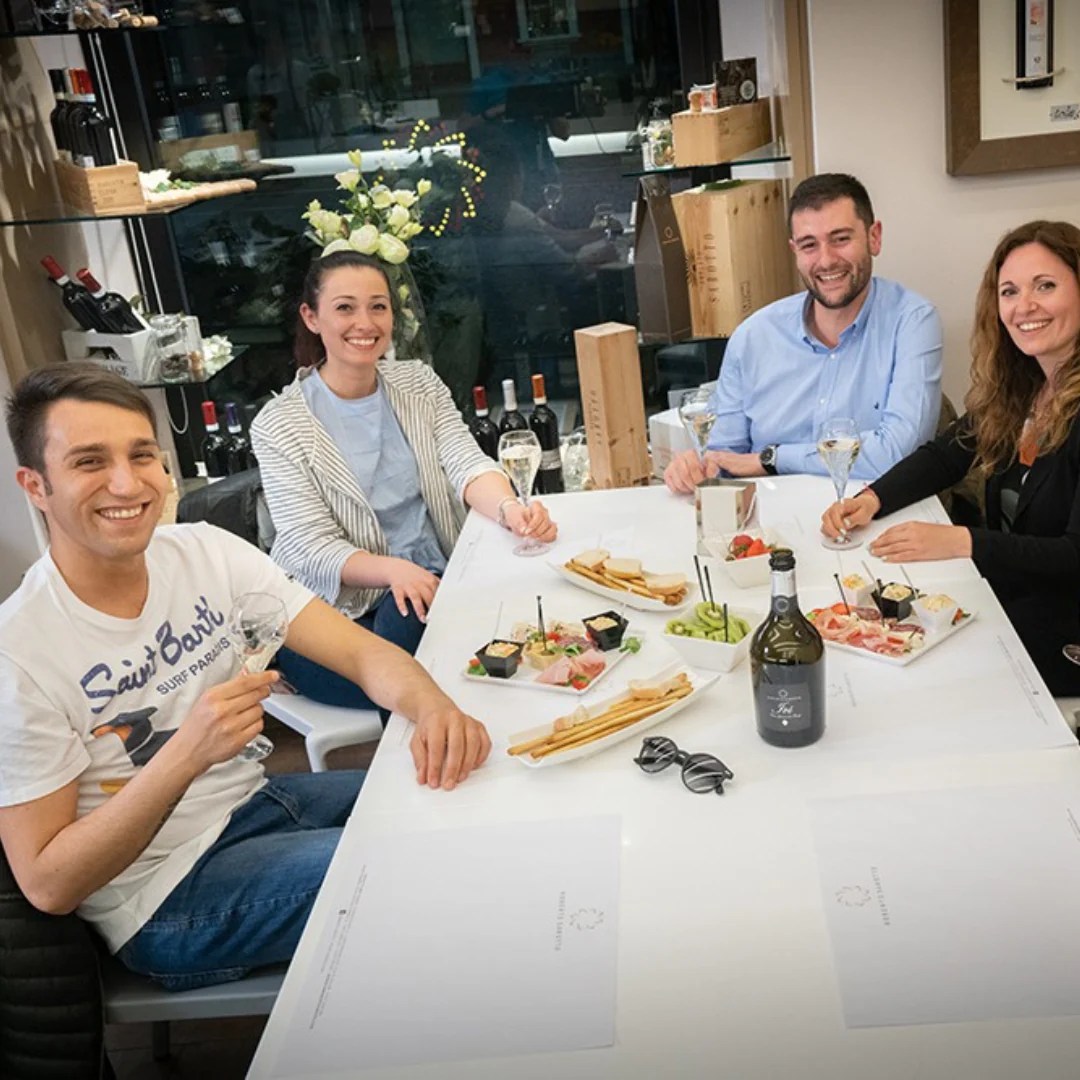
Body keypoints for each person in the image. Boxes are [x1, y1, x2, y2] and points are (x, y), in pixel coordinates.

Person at [0, 363, 491, 990]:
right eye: (89, 462)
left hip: (254, 804)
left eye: (141, 455)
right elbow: (49, 884)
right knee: (434, 865)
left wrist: (434, 708)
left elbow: (364, 655)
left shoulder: (205, 552)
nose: (126, 483)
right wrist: (185, 755)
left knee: (476, 798)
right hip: (166, 895)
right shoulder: (20, 654)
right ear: (35, 486)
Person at [250, 250, 557, 710]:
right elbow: (309, 544)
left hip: (431, 588)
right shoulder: (279, 424)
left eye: (378, 306)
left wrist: (510, 509)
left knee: (426, 616)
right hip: (336, 616)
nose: (365, 322)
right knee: (420, 631)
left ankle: (437, 711)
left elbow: (465, 462)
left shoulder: (418, 383)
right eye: (345, 307)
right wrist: (393, 569)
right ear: (311, 318)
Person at [821, 220, 1080, 696]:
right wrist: (872, 498)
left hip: (1067, 627)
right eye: (1009, 291)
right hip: (1019, 598)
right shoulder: (1026, 388)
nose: (1024, 306)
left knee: (915, 676)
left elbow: (1074, 554)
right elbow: (946, 455)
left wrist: (962, 541)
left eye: (1045, 285)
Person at [664, 173, 943, 493]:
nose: (826, 260)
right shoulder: (752, 337)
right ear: (794, 250)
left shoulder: (912, 322)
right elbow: (724, 461)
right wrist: (693, 470)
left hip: (876, 513)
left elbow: (900, 454)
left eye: (841, 239)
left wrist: (772, 459)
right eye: (809, 245)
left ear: (874, 237)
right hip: (773, 517)